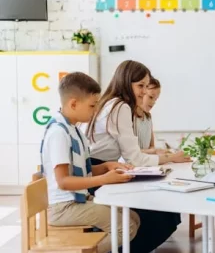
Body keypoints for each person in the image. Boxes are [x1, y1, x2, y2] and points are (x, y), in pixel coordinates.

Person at [84, 60, 187, 252]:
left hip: (98, 170)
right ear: (125, 82)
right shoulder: (121, 107)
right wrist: (171, 158)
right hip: (100, 175)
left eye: (146, 86)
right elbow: (135, 158)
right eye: (140, 86)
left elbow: (134, 154)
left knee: (163, 211)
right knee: (162, 215)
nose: (143, 92)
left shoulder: (110, 102)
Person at [41, 72, 140, 253]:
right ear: (73, 104)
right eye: (92, 106)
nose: (95, 111)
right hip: (64, 207)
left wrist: (105, 167)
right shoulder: (59, 134)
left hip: (77, 200)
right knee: (126, 227)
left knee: (133, 217)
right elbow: (64, 182)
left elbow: (81, 171)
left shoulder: (73, 129)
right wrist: (105, 179)